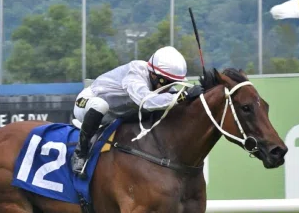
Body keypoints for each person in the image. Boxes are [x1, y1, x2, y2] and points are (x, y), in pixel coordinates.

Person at [70, 45, 202, 174]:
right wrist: (181, 97)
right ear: (153, 74)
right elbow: (146, 101)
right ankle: (80, 152)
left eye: (173, 83)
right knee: (101, 105)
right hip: (87, 103)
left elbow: (172, 98)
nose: (168, 87)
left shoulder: (159, 81)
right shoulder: (135, 73)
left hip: (115, 115)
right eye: (165, 81)